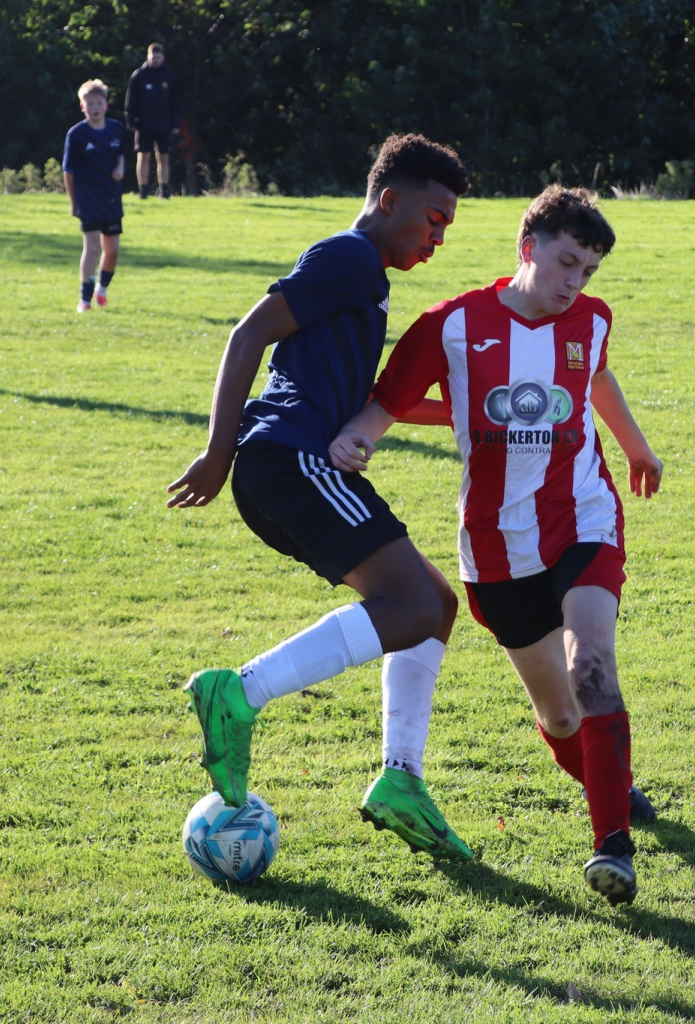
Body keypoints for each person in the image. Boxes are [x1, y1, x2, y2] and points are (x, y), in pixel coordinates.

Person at [328, 185, 663, 904]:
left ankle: (613, 845)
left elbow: (595, 373)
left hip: (584, 520)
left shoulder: (592, 320)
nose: (574, 284)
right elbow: (384, 407)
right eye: (566, 263)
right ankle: (611, 781)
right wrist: (355, 439)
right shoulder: (450, 327)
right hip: (496, 549)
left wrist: (636, 448)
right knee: (562, 715)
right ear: (527, 248)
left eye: (588, 272)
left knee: (593, 664)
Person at [167, 134, 472, 860]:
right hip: (286, 460)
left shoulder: (365, 275)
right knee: (416, 605)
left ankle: (402, 779)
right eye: (432, 219)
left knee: (435, 605)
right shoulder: (349, 257)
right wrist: (217, 453)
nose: (437, 238)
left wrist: (470, 408)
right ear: (389, 199)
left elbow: (354, 393)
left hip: (292, 463)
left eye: (448, 229)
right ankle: (236, 693)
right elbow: (247, 336)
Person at [63, 80, 125, 313]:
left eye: (99, 103)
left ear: (106, 105)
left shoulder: (116, 129)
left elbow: (120, 154)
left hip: (111, 198)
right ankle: (84, 300)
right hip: (88, 198)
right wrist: (73, 202)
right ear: (82, 107)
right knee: (91, 248)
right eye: (90, 104)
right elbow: (68, 171)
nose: (95, 107)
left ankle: (101, 290)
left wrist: (121, 168)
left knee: (113, 249)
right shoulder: (76, 135)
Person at [124, 43, 181, 200]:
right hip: (143, 124)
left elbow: (175, 103)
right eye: (152, 57)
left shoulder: (169, 77)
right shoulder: (139, 76)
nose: (155, 60)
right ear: (148, 57)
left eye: (158, 57)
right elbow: (131, 101)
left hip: (164, 124)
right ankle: (143, 190)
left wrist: (176, 124)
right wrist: (131, 121)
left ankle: (164, 191)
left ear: (162, 57)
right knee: (143, 156)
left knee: (163, 157)